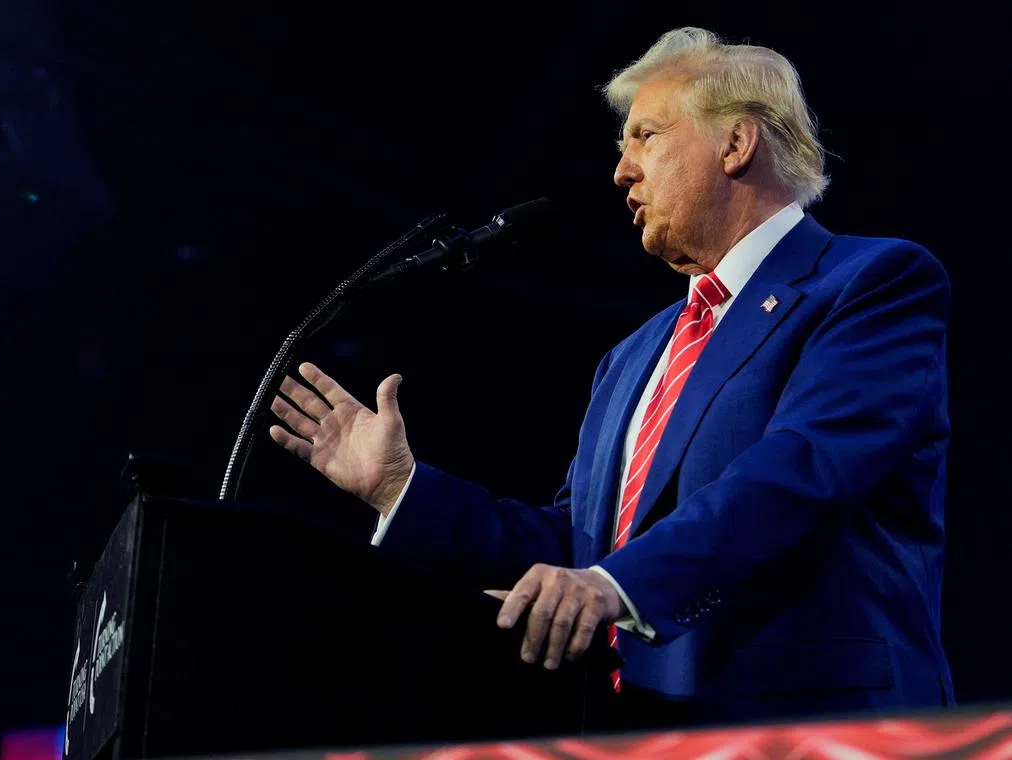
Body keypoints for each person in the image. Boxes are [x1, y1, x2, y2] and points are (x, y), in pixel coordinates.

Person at [268, 27, 953, 725]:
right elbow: (581, 551)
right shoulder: (633, 357)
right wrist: (399, 487)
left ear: (736, 144)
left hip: (816, 721)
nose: (621, 172)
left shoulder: (871, 282)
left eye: (646, 136)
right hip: (635, 728)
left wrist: (611, 584)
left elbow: (801, 470)